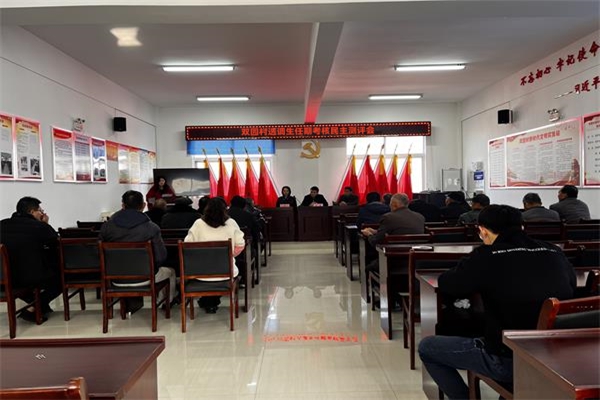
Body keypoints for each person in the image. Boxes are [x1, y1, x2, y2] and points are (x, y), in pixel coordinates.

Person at [418, 205, 576, 400]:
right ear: (522, 226)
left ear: (483, 230)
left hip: (506, 359)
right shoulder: (554, 251)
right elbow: (572, 286)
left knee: (428, 348)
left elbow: (448, 284)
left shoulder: (486, 255)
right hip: (555, 359)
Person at [99, 190, 176, 310]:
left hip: (115, 278)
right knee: (170, 272)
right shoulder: (151, 228)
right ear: (143, 205)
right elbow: (161, 257)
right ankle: (164, 304)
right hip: (145, 277)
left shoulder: (107, 227)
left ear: (123, 205)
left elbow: (99, 254)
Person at [0, 197, 61, 323]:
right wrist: (45, 224)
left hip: (4, 278)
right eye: (40, 211)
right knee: (60, 280)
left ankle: (38, 306)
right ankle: (34, 308)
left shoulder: (2, 224)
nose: (42, 214)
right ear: (32, 212)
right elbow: (55, 241)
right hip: (29, 278)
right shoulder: (39, 226)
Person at [184, 197, 245, 313]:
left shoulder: (198, 224)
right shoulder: (231, 223)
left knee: (209, 274)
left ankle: (209, 302)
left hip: (200, 273)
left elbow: (187, 246)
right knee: (221, 272)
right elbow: (240, 244)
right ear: (225, 209)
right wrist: (228, 256)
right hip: (226, 272)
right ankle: (211, 302)